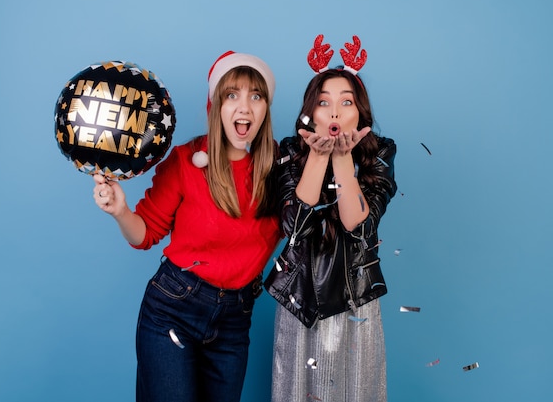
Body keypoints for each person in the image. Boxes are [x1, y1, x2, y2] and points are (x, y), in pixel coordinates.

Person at [92, 51, 281, 402]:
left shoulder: (278, 172)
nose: (245, 107)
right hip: (172, 310)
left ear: (266, 109)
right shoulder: (185, 161)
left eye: (256, 96)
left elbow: (306, 220)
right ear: (215, 106)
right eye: (232, 95)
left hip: (234, 321)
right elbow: (144, 233)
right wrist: (121, 211)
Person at [264, 35, 397, 402]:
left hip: (357, 300)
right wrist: (318, 156)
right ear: (310, 112)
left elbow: (358, 224)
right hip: (300, 300)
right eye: (323, 103)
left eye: (346, 102)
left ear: (360, 113)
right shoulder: (290, 152)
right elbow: (295, 227)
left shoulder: (380, 153)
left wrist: (342, 159)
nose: (334, 112)